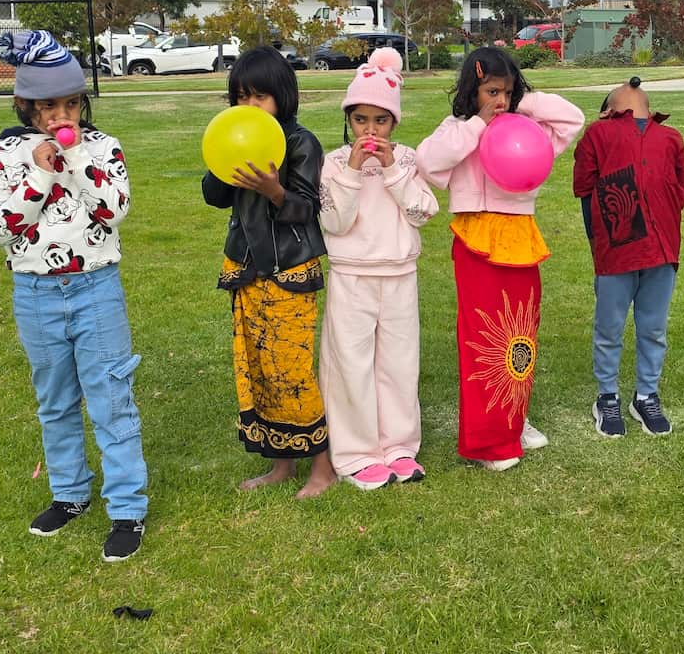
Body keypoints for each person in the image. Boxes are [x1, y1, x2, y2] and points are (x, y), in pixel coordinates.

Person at [0, 30, 148, 562]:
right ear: (24, 104)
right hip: (34, 292)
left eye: (70, 103)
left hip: (96, 287)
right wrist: (38, 173)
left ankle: (126, 508)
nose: (60, 115)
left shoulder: (103, 148)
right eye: (47, 106)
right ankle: (69, 493)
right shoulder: (3, 154)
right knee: (55, 401)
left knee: (112, 398)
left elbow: (112, 211)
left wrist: (72, 166)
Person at [416, 47, 584, 471]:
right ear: (472, 91)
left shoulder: (525, 126)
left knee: (520, 332)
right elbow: (429, 162)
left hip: (521, 237)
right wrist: (477, 124)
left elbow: (573, 119)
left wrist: (522, 97)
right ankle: (490, 442)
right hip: (476, 240)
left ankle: (514, 418)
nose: (500, 101)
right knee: (483, 338)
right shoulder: (458, 128)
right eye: (491, 91)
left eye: (506, 92)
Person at [201, 46, 335, 498]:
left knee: (293, 369)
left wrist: (274, 189)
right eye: (241, 97)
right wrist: (224, 165)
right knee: (259, 369)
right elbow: (213, 195)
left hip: (289, 269)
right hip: (245, 268)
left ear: (282, 96)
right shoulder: (236, 137)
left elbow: (305, 209)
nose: (250, 107)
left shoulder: (300, 142)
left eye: (259, 97)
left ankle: (324, 467)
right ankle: (282, 464)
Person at [319, 49, 439, 490]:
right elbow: (333, 220)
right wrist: (352, 170)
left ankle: (399, 447)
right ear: (349, 121)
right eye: (361, 120)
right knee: (351, 364)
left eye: (381, 120)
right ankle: (354, 453)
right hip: (351, 277)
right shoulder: (333, 163)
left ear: (395, 122)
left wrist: (391, 171)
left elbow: (423, 212)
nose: (370, 130)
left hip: (400, 275)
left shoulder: (405, 160)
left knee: (399, 364)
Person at [573, 76, 684, 437]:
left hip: (660, 250)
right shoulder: (599, 134)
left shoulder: (670, 138)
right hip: (617, 251)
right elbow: (585, 189)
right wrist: (601, 243)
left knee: (653, 327)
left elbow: (682, 189)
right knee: (610, 328)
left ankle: (646, 395)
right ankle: (607, 397)